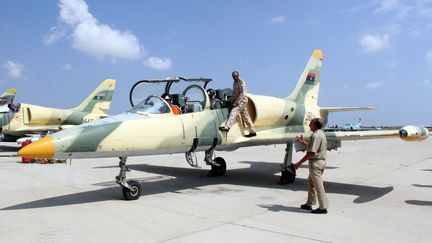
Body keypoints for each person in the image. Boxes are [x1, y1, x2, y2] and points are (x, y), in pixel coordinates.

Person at [294, 118, 329, 214]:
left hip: (316, 163)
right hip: (321, 162)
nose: (309, 125)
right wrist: (303, 142)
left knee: (318, 186)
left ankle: (323, 208)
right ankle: (310, 203)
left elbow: (312, 152)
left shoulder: (315, 135)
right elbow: (314, 147)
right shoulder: (321, 134)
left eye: (311, 124)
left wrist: (299, 163)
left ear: (315, 125)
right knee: (310, 182)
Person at [219, 71, 256, 137]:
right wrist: (229, 100)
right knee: (246, 116)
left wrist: (236, 102)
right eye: (233, 76)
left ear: (238, 75)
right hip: (238, 100)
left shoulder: (241, 82)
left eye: (236, 76)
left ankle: (227, 127)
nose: (235, 77)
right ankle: (253, 131)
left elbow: (242, 94)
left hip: (242, 101)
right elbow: (234, 94)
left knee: (234, 111)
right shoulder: (234, 83)